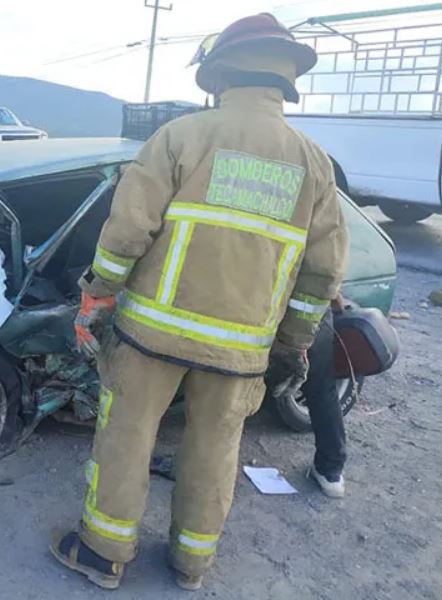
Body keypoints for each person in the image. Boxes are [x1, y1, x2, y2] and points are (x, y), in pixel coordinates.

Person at [50, 13, 348, 591]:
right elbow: (323, 272)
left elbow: (125, 233)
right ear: (285, 79)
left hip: (151, 337)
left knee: (128, 436)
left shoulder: (182, 137)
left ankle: (104, 552)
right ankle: (191, 563)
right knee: (216, 447)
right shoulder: (314, 164)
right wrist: (292, 342)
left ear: (219, 76)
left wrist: (97, 292)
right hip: (241, 349)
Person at [299, 295, 347, 497]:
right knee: (321, 388)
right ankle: (330, 471)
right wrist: (336, 298)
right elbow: (327, 268)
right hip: (309, 310)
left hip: (261, 305)